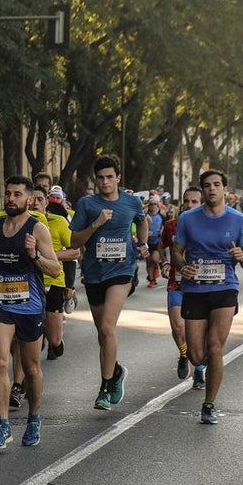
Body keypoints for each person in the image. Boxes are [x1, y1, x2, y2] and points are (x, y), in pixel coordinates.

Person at [0, 176, 61, 450]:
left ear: (28, 199)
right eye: (8, 194)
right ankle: (2, 426)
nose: (11, 199)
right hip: (0, 302)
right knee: (0, 363)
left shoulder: (37, 229)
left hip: (30, 305)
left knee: (31, 367)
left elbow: (55, 269)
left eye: (17, 194)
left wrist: (34, 254)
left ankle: (34, 418)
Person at [172, 170, 243, 424]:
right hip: (195, 290)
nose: (212, 189)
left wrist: (242, 256)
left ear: (224, 189)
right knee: (197, 356)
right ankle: (202, 368)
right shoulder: (187, 219)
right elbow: (177, 251)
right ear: (202, 189)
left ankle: (209, 404)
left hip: (224, 289)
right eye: (207, 185)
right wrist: (182, 265)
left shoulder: (238, 220)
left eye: (216, 185)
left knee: (215, 348)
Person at [69, 154, 148, 411]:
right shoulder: (87, 204)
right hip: (94, 274)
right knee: (103, 334)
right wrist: (96, 224)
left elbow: (142, 220)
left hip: (122, 272)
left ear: (118, 178)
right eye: (101, 178)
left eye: (110, 177)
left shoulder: (131, 202)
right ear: (96, 179)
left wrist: (143, 243)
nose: (105, 182)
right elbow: (74, 242)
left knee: (106, 327)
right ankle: (116, 372)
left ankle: (104, 388)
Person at [160, 186, 206, 385]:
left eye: (194, 202)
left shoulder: (208, 225)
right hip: (176, 283)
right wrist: (165, 262)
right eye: (186, 201)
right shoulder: (171, 225)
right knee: (178, 328)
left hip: (201, 286)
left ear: (202, 203)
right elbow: (161, 247)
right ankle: (184, 354)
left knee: (197, 331)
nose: (189, 205)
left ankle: (199, 367)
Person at [29, 185, 79, 360]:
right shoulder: (19, 223)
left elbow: (75, 252)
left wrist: (47, 256)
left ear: (46, 203)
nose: (35, 203)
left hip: (54, 282)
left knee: (55, 339)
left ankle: (55, 341)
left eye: (40, 199)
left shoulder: (58, 221)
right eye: (31, 199)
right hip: (29, 283)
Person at [145, 194, 165, 287]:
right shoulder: (145, 216)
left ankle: (157, 266)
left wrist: (162, 231)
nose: (152, 206)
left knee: (154, 259)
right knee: (149, 262)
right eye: (151, 204)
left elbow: (165, 226)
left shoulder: (161, 216)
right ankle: (152, 280)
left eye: (154, 204)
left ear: (158, 205)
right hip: (147, 242)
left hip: (157, 242)